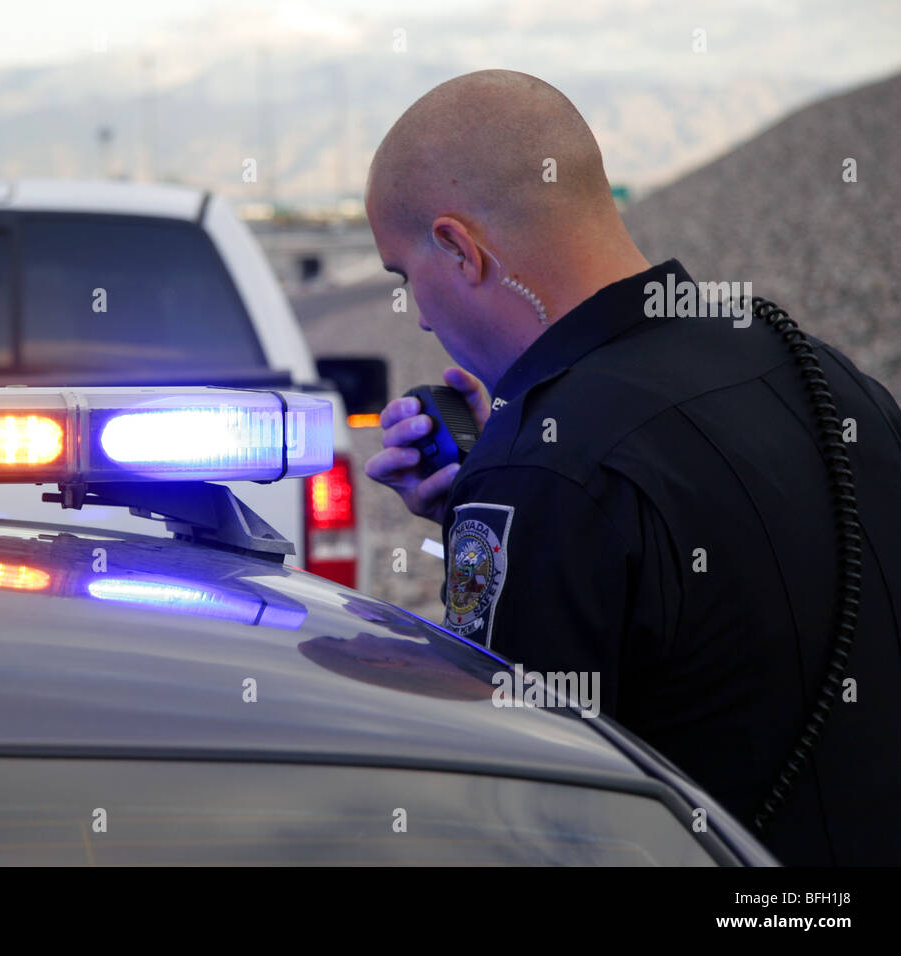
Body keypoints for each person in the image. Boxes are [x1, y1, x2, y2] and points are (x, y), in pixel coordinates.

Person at [363, 69, 901, 866]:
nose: (422, 316)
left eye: (407, 280)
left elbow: (522, 819)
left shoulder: (542, 476)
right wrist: (492, 502)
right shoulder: (829, 377)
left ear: (457, 248)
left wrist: (512, 497)